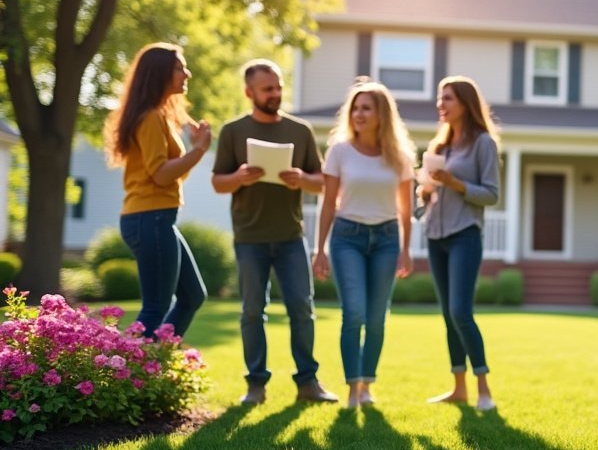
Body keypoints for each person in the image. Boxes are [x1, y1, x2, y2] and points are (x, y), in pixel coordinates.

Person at [212, 59, 338, 405]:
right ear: (249, 92)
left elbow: (321, 183)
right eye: (268, 89)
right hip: (249, 238)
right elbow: (218, 183)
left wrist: (301, 178)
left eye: (278, 86)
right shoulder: (233, 131)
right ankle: (256, 385)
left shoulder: (300, 131)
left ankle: (308, 383)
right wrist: (239, 176)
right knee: (253, 311)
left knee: (301, 308)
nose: (275, 93)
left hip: (290, 237)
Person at [311, 80, 416, 409]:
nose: (358, 114)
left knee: (376, 317)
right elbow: (328, 204)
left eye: (366, 108)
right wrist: (320, 248)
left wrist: (406, 248)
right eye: (355, 108)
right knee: (353, 312)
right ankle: (353, 388)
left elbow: (406, 209)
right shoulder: (339, 151)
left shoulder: (399, 156)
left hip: (386, 239)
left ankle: (367, 383)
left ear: (381, 114)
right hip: (347, 238)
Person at [103, 42, 212, 340]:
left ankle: (155, 361)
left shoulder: (159, 117)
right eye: (179, 68)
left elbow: (171, 174)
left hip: (157, 218)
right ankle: (127, 373)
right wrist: (199, 151)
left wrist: (192, 151)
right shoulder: (150, 118)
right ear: (161, 73)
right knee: (154, 308)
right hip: (149, 219)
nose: (186, 73)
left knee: (192, 296)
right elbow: (162, 176)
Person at [422, 76, 501, 410]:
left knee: (460, 312)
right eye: (440, 99)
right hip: (435, 236)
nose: (441, 104)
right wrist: (424, 192)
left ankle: (484, 389)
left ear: (466, 104)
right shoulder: (439, 147)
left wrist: (455, 183)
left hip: (465, 234)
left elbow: (492, 195)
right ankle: (458, 388)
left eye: (448, 98)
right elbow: (427, 195)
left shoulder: (483, 143)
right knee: (447, 314)